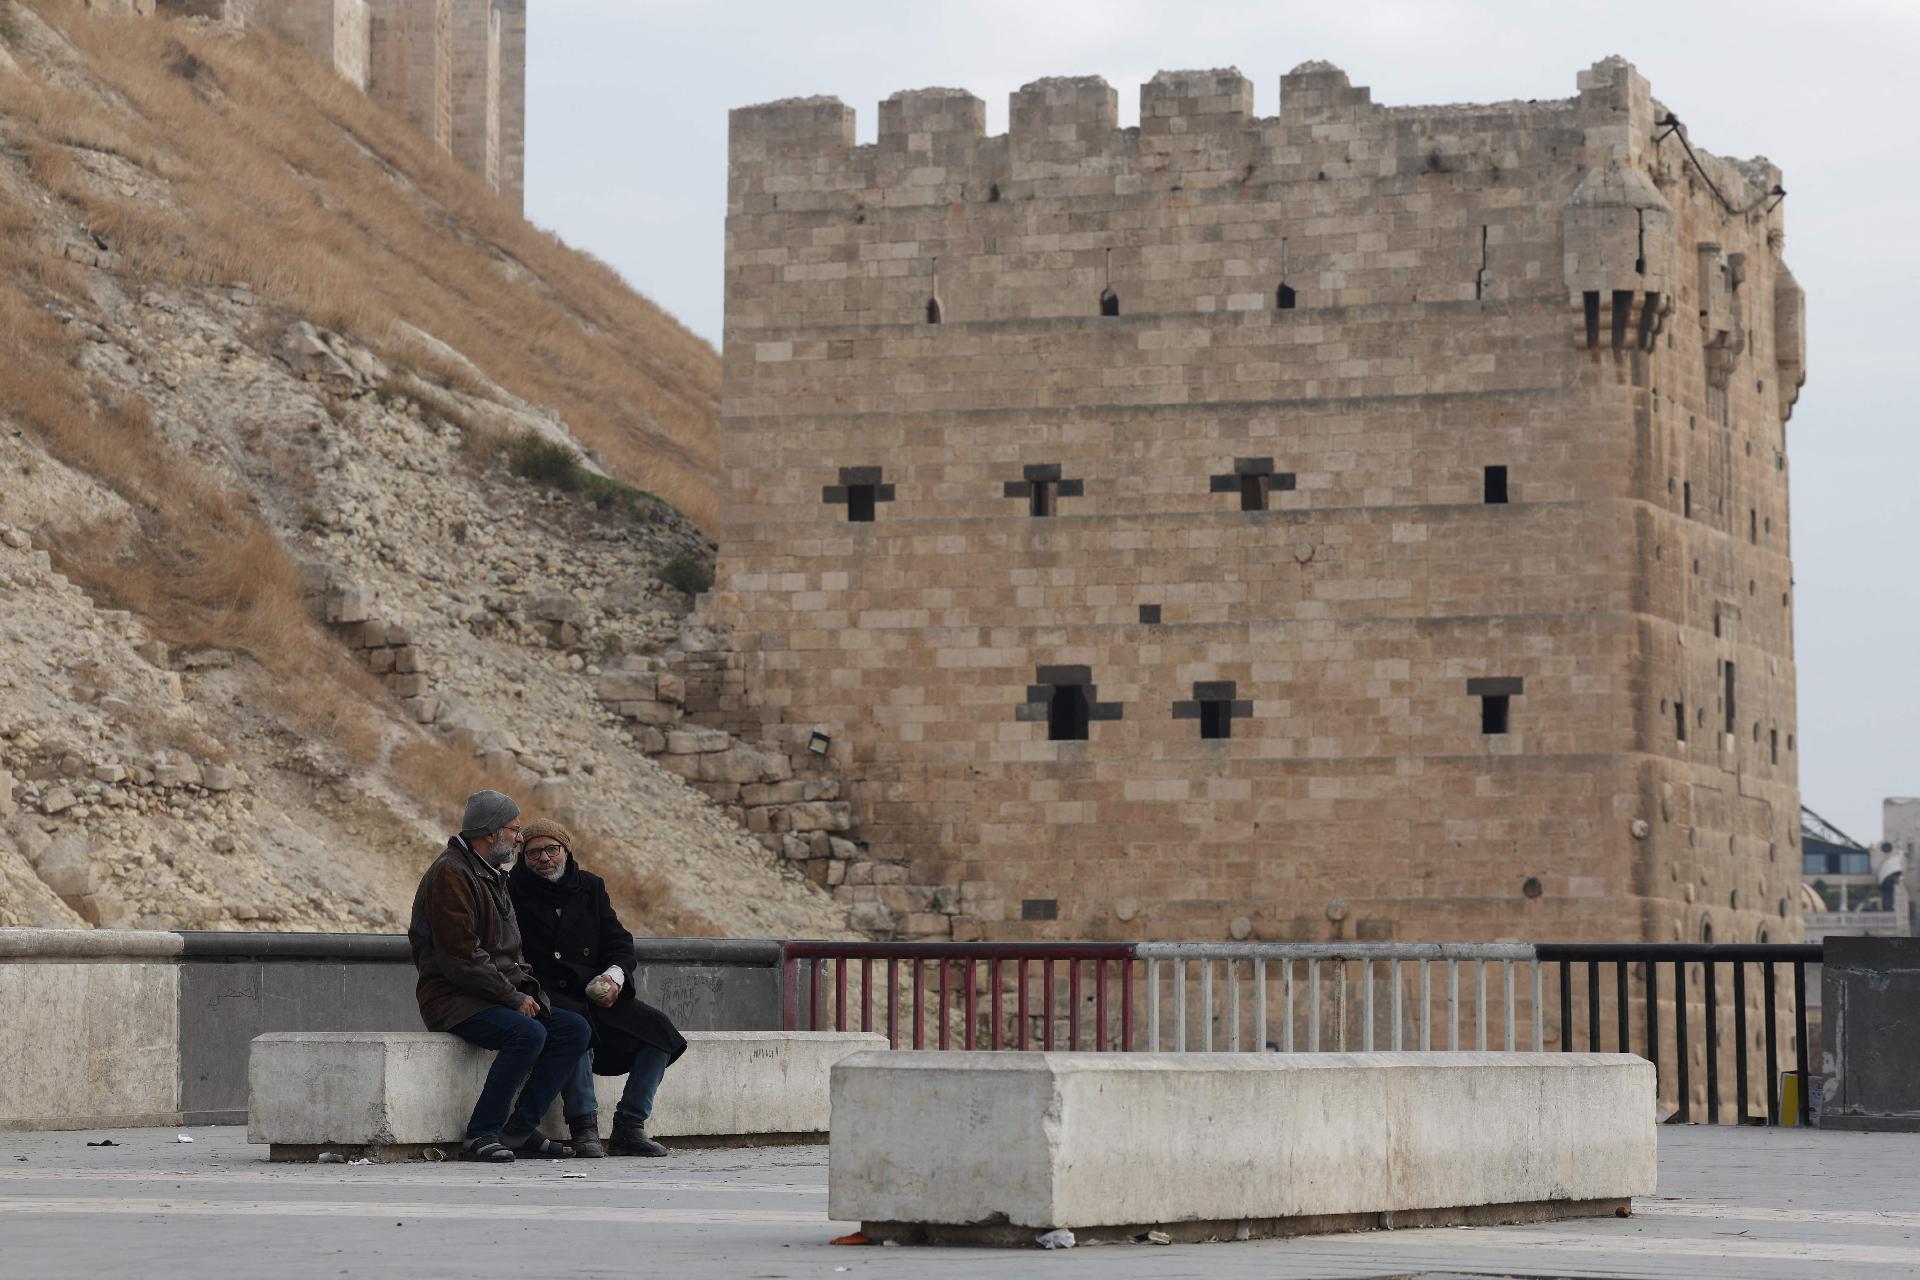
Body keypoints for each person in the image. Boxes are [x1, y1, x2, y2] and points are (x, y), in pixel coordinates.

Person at [407, 789, 590, 1162]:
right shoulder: (451, 874)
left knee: (574, 1028)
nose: (520, 839)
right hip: (452, 998)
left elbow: (509, 952)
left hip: (489, 993)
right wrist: (512, 997)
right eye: (515, 830)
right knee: (527, 1032)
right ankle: (482, 1134)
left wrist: (530, 993)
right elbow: (461, 957)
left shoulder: (490, 874)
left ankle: (519, 1129)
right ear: (492, 833)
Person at [508, 817, 687, 1158]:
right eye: (533, 853)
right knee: (576, 1028)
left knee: (659, 1031)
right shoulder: (510, 891)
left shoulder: (590, 887)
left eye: (551, 849)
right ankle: (583, 1128)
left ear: (566, 850)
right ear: (522, 857)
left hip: (597, 991)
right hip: (545, 992)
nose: (544, 858)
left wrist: (615, 977)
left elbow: (619, 942)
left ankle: (630, 1127)